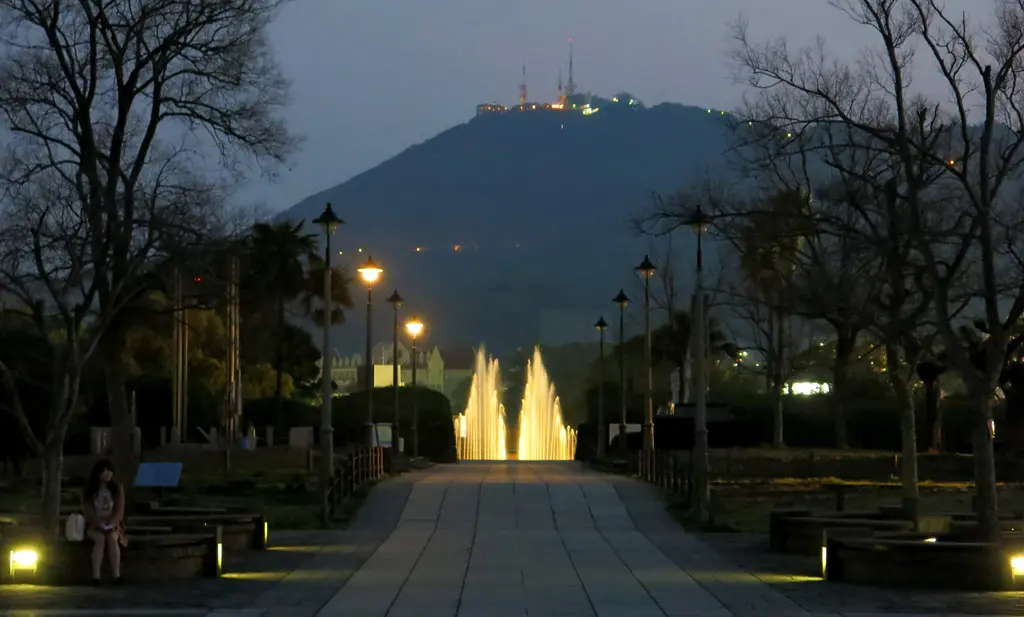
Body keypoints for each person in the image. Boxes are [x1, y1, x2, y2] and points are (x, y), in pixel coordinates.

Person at [82, 459, 127, 585]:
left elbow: (120, 510)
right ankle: (96, 576)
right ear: (98, 473)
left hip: (114, 525)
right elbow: (88, 510)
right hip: (95, 525)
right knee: (100, 539)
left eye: (110, 471)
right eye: (104, 471)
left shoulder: (117, 488)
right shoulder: (90, 490)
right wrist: (98, 523)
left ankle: (116, 575)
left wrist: (112, 523)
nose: (108, 474)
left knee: (112, 538)